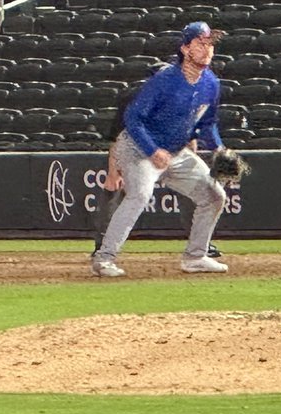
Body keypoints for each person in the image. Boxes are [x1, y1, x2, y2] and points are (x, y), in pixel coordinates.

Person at [90, 22, 230, 278]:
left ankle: (195, 257)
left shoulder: (211, 83)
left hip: (175, 152)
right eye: (200, 44)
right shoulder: (165, 80)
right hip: (138, 149)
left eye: (210, 44)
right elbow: (132, 118)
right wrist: (152, 150)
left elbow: (208, 123)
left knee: (214, 196)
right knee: (140, 195)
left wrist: (219, 148)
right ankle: (104, 258)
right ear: (185, 49)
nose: (207, 49)